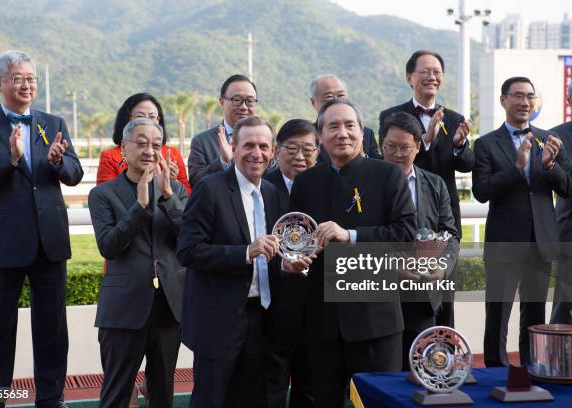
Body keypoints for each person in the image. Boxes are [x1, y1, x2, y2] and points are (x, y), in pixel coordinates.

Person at [0, 50, 83, 408]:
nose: (26, 84)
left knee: (51, 331)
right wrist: (12, 158)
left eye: (31, 78)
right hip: (4, 245)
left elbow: (75, 174)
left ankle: (51, 399)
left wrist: (59, 161)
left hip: (50, 242)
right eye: (18, 78)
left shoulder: (54, 123)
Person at [290, 99, 416, 407]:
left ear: (362, 132)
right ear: (320, 136)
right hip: (322, 322)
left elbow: (406, 235)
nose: (342, 133)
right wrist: (294, 261)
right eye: (333, 126)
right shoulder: (306, 182)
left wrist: (350, 236)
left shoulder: (388, 175)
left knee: (378, 402)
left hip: (375, 320)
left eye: (350, 125)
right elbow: (296, 238)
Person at [177, 116, 281, 408]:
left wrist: (286, 264)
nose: (256, 153)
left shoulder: (271, 193)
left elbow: (271, 253)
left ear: (273, 151)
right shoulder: (210, 189)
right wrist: (245, 252)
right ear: (233, 148)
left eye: (263, 146)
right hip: (218, 319)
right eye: (248, 145)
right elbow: (188, 251)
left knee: (250, 399)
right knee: (210, 400)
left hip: (260, 316)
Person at [472, 76, 572, 367]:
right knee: (498, 314)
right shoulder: (486, 144)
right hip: (504, 241)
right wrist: (516, 168)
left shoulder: (549, 140)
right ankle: (496, 372)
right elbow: (481, 192)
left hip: (540, 242)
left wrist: (550, 166)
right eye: (517, 95)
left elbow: (567, 188)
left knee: (534, 313)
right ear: (504, 100)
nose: (524, 102)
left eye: (529, 96)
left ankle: (531, 371)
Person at [89, 118, 187, 408]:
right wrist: (140, 207)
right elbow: (109, 246)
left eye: (156, 145)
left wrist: (167, 197)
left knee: (162, 394)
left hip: (169, 307)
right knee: (117, 393)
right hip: (123, 308)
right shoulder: (103, 194)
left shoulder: (176, 191)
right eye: (141, 143)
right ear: (123, 148)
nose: (149, 150)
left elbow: (189, 240)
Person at [379, 50, 474, 329]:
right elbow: (389, 162)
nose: (432, 77)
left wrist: (459, 145)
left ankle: (442, 359)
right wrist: (426, 140)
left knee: (441, 297)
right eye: (425, 71)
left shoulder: (455, 117)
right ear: (410, 77)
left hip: (439, 212)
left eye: (437, 72)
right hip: (399, 211)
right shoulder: (392, 116)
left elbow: (467, 165)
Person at [380, 111, 459, 369]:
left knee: (422, 369)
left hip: (423, 295)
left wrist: (442, 268)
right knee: (384, 374)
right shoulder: (366, 184)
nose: (397, 154)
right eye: (391, 147)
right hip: (378, 295)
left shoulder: (435, 184)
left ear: (418, 146)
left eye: (405, 148)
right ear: (381, 146)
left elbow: (451, 233)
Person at [264, 119, 318, 408]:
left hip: (315, 305)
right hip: (273, 305)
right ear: (276, 151)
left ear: (318, 151)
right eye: (292, 148)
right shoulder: (262, 187)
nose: (300, 156)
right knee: (270, 387)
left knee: (309, 388)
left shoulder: (325, 187)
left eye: (308, 149)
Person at [96, 93, 191, 194]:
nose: (146, 121)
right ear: (127, 119)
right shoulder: (111, 157)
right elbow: (105, 195)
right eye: (140, 116)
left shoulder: (172, 154)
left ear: (159, 120)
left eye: (152, 116)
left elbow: (187, 198)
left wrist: (172, 182)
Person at [187, 74, 258, 186]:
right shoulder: (202, 142)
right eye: (237, 100)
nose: (244, 107)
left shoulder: (266, 141)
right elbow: (196, 182)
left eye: (250, 101)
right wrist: (223, 162)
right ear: (222, 101)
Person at [549, 78, 572, 324]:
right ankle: (561, 361)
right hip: (571, 233)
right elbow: (565, 176)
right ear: (570, 99)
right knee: (566, 303)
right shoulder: (557, 136)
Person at [309, 74, 381, 161]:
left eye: (341, 96)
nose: (336, 101)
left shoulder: (366, 134)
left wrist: (361, 155)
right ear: (313, 102)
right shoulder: (308, 135)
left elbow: (378, 166)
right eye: (329, 97)